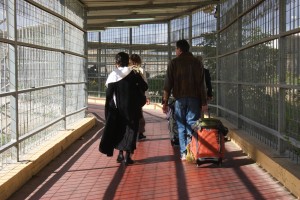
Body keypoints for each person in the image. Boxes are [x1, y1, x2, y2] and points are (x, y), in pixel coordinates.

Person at [99, 52, 148, 165]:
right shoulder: (134, 73)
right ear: (128, 62)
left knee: (120, 129)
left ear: (116, 63)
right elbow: (145, 86)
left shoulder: (112, 76)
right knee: (131, 131)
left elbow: (108, 96)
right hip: (133, 108)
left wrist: (108, 113)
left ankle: (120, 154)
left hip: (118, 109)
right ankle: (127, 157)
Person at [162, 39, 208, 161]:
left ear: (179, 50)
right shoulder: (197, 63)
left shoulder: (173, 63)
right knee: (193, 125)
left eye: (176, 49)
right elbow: (201, 85)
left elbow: (167, 85)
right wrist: (204, 103)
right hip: (195, 99)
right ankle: (192, 150)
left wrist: (165, 102)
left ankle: (184, 153)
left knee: (181, 125)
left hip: (179, 100)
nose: (175, 51)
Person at [129, 54, 150, 140]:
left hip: (129, 96)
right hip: (138, 97)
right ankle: (140, 133)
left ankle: (131, 133)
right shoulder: (141, 70)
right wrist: (147, 96)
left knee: (130, 115)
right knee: (139, 115)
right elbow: (145, 84)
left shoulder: (126, 70)